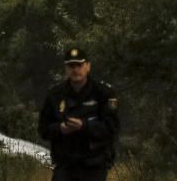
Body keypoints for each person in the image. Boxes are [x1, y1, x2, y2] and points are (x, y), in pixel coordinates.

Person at [38, 47, 119, 181]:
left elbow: (112, 128)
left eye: (79, 65)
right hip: (65, 164)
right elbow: (43, 129)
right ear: (66, 68)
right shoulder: (55, 95)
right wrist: (60, 129)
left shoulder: (103, 94)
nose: (75, 70)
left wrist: (84, 126)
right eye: (71, 66)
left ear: (88, 66)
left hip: (94, 164)